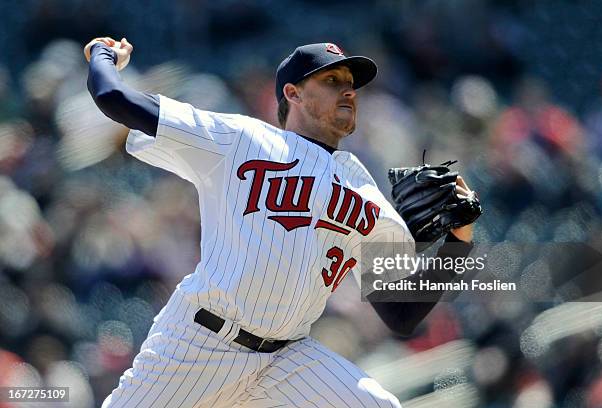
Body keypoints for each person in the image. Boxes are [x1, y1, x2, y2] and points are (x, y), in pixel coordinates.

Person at [84, 36, 476, 408]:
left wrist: (459, 241)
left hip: (287, 360)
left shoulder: (365, 191)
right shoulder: (242, 139)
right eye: (331, 79)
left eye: (351, 84)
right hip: (200, 343)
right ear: (293, 93)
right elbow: (113, 97)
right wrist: (103, 55)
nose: (349, 91)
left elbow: (400, 312)